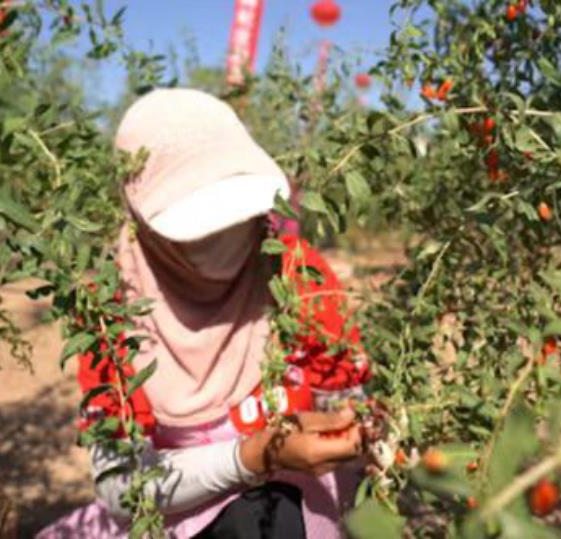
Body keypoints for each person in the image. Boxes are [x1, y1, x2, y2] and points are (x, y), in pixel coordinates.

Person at [37, 88, 371, 539]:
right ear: (138, 212)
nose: (226, 236)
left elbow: (348, 400)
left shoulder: (293, 271)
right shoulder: (110, 308)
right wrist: (251, 457)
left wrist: (353, 431)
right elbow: (122, 485)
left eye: (236, 213)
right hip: (176, 513)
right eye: (198, 225)